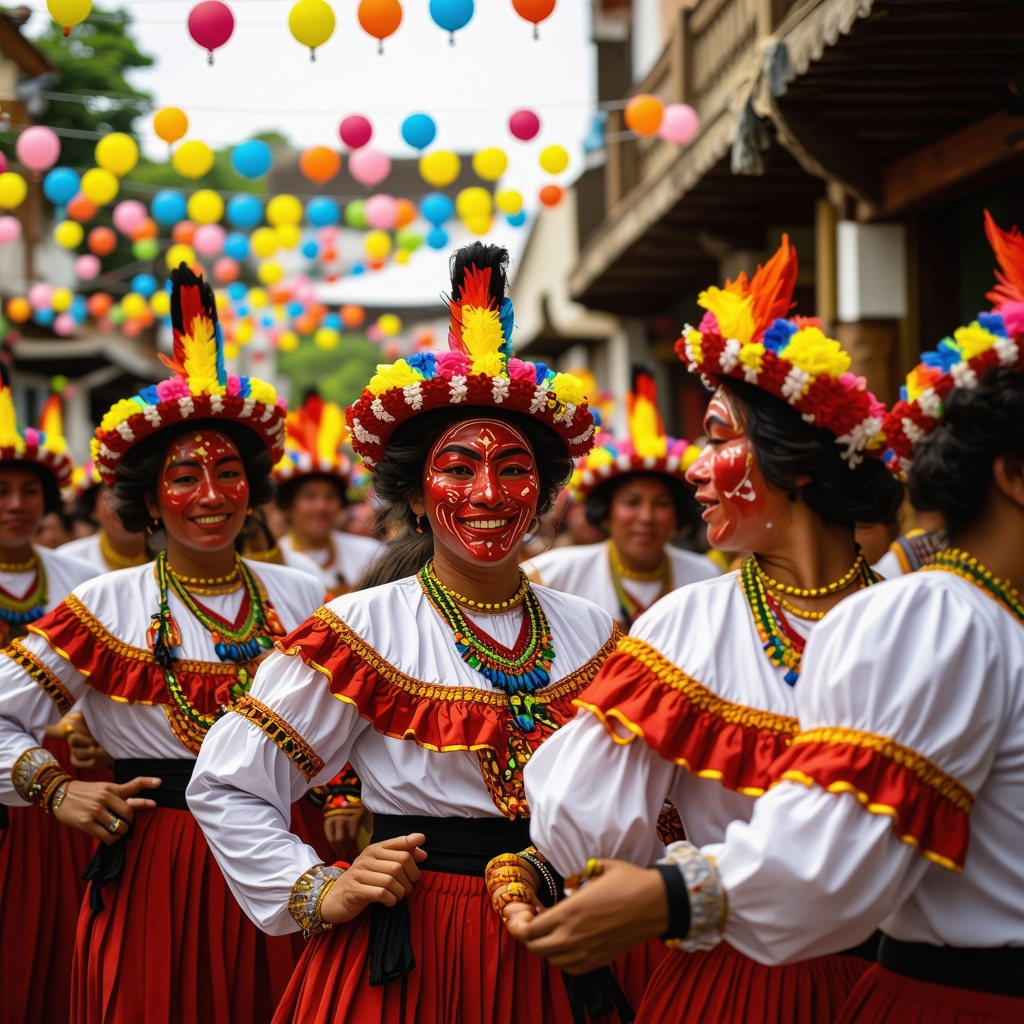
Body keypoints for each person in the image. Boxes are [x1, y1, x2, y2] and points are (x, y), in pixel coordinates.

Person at [508, 232, 1024, 1024]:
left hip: (868, 957)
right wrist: (664, 886)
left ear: (800, 461)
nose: (692, 469)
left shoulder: (912, 608)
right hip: (747, 972)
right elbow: (585, 819)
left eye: (717, 437)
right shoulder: (694, 621)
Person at [187, 244, 633, 1024]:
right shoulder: (361, 629)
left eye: (514, 470)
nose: (488, 492)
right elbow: (230, 783)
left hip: (567, 933)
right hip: (425, 944)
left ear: (545, 493)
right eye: (458, 469)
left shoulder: (592, 631)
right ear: (417, 500)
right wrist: (323, 885)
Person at [0, 266, 325, 1024]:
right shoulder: (103, 604)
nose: (211, 495)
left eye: (229, 473)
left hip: (289, 850)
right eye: (185, 475)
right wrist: (54, 789)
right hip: (159, 857)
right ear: (147, 498)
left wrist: (340, 799)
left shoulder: (306, 598)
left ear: (254, 486)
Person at [0, 372, 101, 1024]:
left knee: (57, 955)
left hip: (63, 804)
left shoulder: (81, 584)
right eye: (2, 490)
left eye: (30, 490)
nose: (16, 504)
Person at [524, 370, 719, 630]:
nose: (646, 517)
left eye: (661, 504)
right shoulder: (549, 575)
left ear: (678, 514)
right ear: (606, 512)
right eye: (632, 502)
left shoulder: (706, 576)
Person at [275, 392, 384, 596]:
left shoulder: (373, 555)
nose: (321, 506)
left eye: (329, 497)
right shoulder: (274, 562)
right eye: (310, 497)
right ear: (288, 504)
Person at [61, 461, 151, 573]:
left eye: (134, 492)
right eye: (113, 493)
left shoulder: (173, 556)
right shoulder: (67, 562)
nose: (125, 505)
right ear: (92, 510)